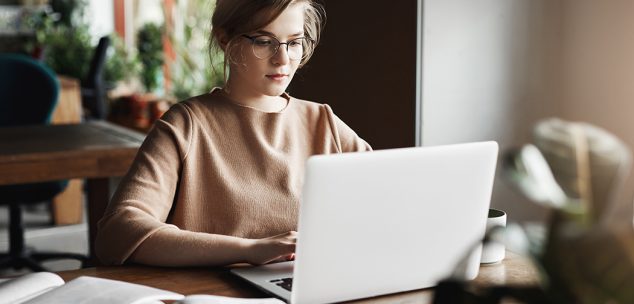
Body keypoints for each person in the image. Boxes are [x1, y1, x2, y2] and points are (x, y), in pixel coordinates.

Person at [95, 0, 371, 267]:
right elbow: (117, 233)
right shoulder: (186, 126)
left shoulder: (324, 123)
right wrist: (251, 250)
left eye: (295, 42)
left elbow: (389, 204)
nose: (283, 59)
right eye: (264, 41)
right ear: (225, 38)